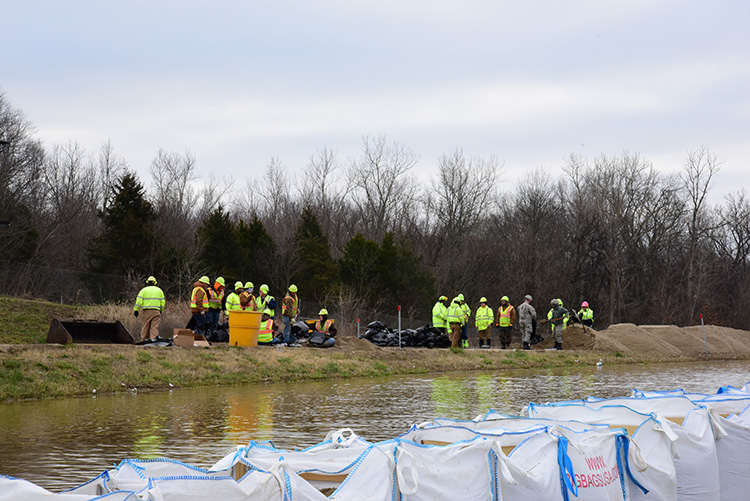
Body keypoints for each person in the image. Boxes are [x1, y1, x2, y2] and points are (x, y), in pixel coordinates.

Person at [133, 276, 165, 341]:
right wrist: (161, 310)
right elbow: (163, 302)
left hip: (146, 311)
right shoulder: (159, 291)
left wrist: (136, 310)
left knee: (145, 326)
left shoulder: (143, 290)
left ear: (147, 283)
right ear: (155, 283)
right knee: (154, 327)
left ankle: (144, 340)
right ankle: (154, 340)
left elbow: (139, 301)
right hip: (156, 311)